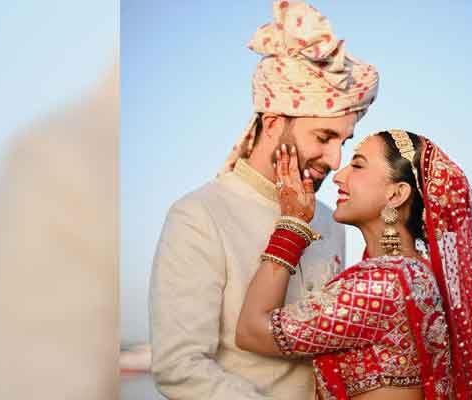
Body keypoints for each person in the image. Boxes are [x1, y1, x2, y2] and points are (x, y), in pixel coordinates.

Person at [149, 2, 379, 399]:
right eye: (324, 138)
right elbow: (179, 367)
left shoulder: (329, 219)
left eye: (344, 142)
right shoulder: (199, 215)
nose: (335, 160)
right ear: (273, 123)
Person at [236, 130, 472, 399]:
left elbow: (251, 331)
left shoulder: (382, 284)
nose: (339, 176)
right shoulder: (418, 273)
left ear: (396, 194)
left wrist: (292, 224)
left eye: (357, 166)